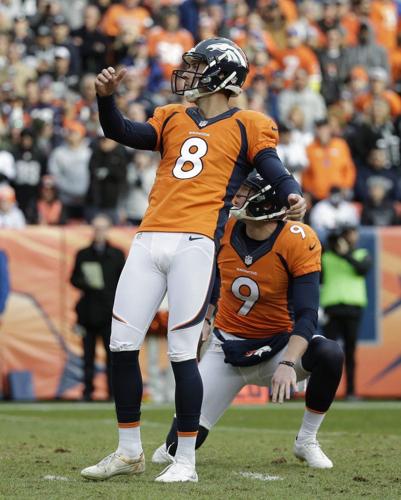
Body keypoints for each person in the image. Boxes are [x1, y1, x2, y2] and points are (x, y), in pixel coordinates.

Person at [81, 37, 306, 483]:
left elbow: (273, 167)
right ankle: (129, 451)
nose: (189, 71)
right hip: (148, 239)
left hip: (195, 242)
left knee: (183, 354)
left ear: (222, 75)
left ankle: (185, 460)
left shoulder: (249, 124)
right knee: (122, 345)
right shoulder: (172, 117)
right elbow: (122, 132)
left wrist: (291, 193)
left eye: (199, 65)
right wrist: (105, 102)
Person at [152, 173, 343, 470]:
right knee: (174, 449)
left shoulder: (297, 240)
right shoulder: (224, 229)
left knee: (330, 353)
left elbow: (308, 314)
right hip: (227, 348)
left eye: (245, 192)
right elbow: (211, 273)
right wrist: (207, 314)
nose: (237, 197)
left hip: (278, 347)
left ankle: (306, 439)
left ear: (266, 203)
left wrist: (288, 363)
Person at [70, 214, 125, 401]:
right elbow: (73, 278)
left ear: (108, 230)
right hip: (88, 312)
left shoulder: (117, 255)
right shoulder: (83, 254)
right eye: (96, 228)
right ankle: (87, 391)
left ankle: (112, 392)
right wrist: (88, 282)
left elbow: (122, 282)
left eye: (102, 228)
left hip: (110, 312)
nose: (99, 232)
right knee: (88, 356)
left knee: (112, 355)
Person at [320, 224, 371, 400]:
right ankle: (325, 392)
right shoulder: (326, 257)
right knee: (326, 354)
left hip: (352, 309)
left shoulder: (361, 254)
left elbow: (362, 269)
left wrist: (345, 254)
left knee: (350, 353)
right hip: (332, 308)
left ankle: (350, 391)